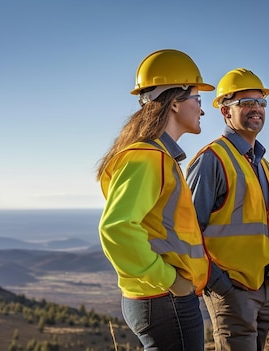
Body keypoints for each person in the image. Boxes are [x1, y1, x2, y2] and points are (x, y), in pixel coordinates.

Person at [96, 49, 214, 350]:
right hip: (164, 300)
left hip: (159, 298)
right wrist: (171, 280)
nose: (202, 109)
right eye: (197, 98)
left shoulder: (156, 156)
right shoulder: (148, 158)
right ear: (175, 102)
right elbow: (116, 228)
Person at [186, 68, 269, 351]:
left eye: (261, 102)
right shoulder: (212, 160)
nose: (256, 109)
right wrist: (220, 284)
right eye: (246, 103)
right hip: (231, 290)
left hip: (264, 287)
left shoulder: (264, 165)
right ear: (225, 112)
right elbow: (188, 231)